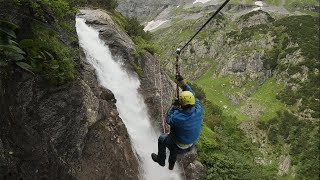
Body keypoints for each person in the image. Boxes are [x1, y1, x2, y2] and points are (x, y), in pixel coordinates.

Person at [151, 75, 203, 170]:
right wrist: (183, 84)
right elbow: (192, 94)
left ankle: (161, 160)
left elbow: (168, 119)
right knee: (173, 148)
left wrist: (173, 106)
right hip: (190, 145)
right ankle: (171, 166)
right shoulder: (198, 109)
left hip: (179, 145)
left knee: (162, 138)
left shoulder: (178, 117)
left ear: (181, 104)